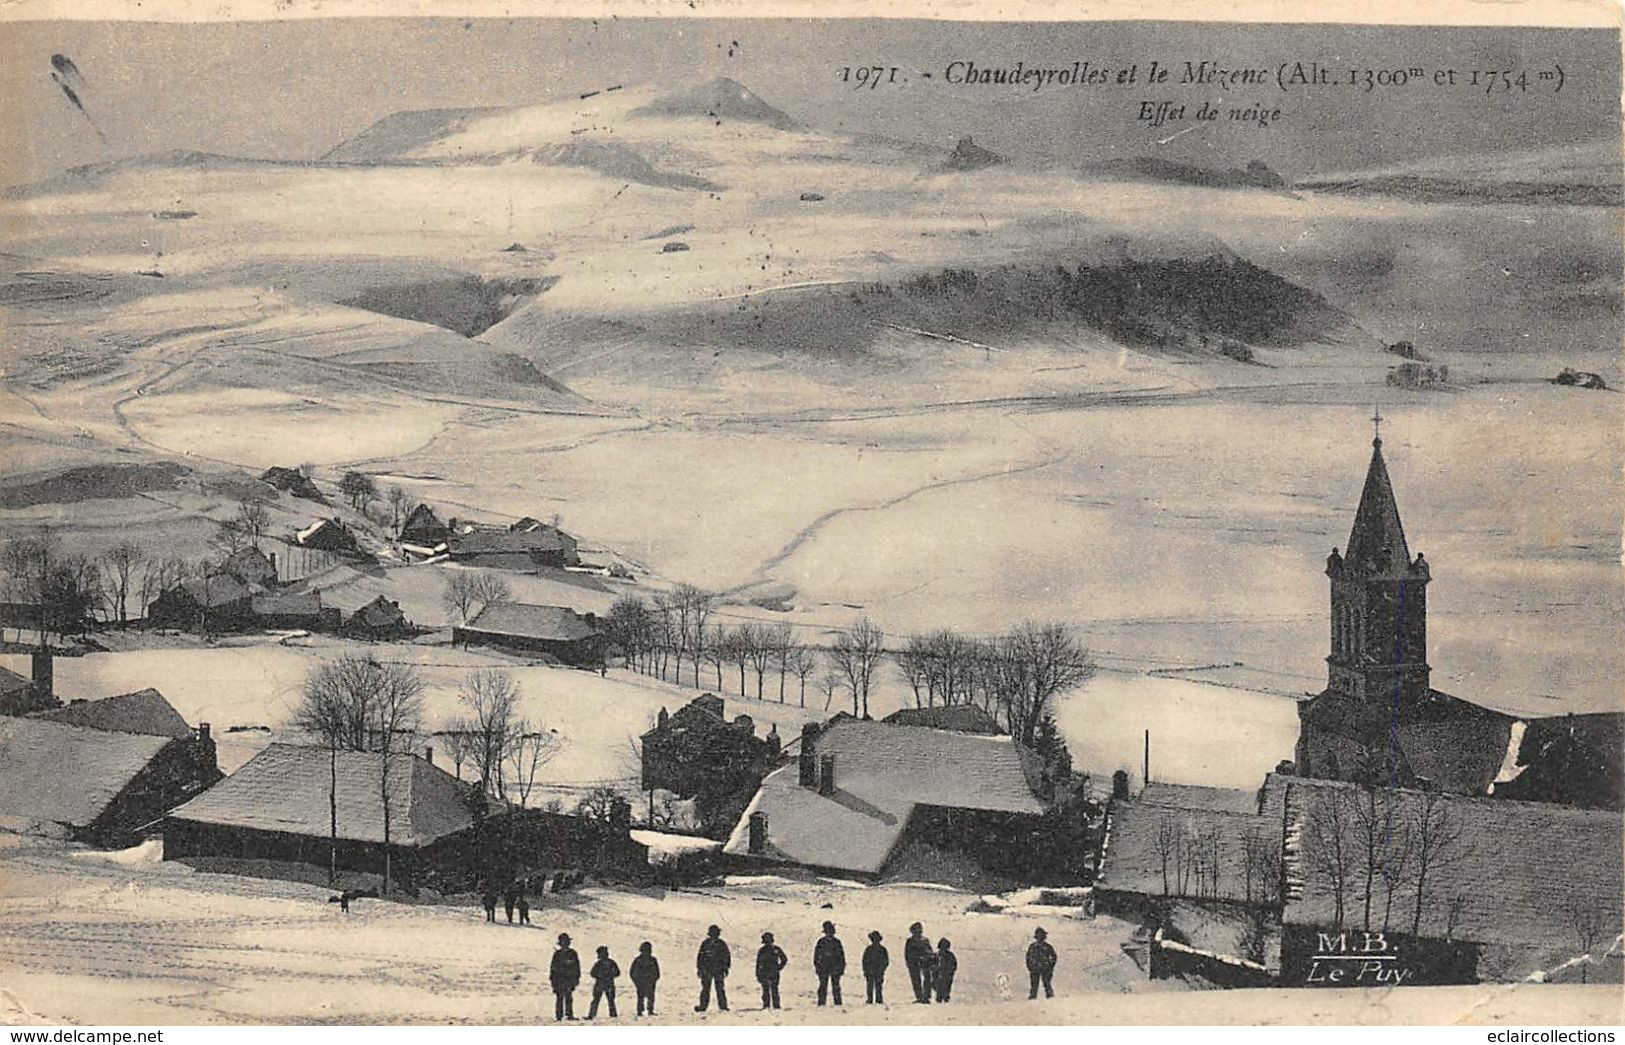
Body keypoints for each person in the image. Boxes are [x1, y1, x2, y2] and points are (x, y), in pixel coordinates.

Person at [694, 924, 731, 1012]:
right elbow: (700, 957)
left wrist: (725, 968)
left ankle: (723, 1006)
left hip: (718, 970)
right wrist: (700, 969)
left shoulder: (721, 944)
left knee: (720, 989)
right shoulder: (705, 943)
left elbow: (726, 957)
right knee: (706, 989)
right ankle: (703, 1006)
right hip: (707, 970)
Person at [812, 921, 845, 1006]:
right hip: (823, 968)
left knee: (836, 987)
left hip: (835, 968)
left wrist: (841, 968)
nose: (829, 934)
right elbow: (816, 956)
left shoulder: (837, 942)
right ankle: (821, 1003)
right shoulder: (821, 942)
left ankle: (837, 1003)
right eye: (828, 932)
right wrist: (818, 967)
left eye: (830, 932)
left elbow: (841, 956)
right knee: (823, 986)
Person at [551, 932, 581, 1020]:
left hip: (569, 979)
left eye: (566, 942)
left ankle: (569, 1014)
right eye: (563, 942)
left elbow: (577, 967)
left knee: (569, 997)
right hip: (559, 979)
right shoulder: (557, 954)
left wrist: (576, 978)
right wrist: (553, 981)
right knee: (559, 997)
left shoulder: (573, 953)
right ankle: (559, 1015)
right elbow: (553, 968)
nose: (565, 944)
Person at [755, 932, 788, 1010]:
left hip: (774, 972)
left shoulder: (776, 949)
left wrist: (779, 968)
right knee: (765, 989)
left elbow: (784, 959)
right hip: (765, 972)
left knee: (774, 989)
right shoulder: (762, 950)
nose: (768, 943)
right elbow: (758, 963)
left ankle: (776, 1005)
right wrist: (758, 974)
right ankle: (766, 1005)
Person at [904, 922, 933, 1004]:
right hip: (914, 963)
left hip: (925, 962)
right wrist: (909, 962)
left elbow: (929, 950)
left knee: (927, 979)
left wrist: (929, 958)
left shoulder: (925, 940)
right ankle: (919, 996)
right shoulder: (910, 941)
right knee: (916, 980)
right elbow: (907, 953)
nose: (918, 932)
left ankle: (926, 996)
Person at [588, 945, 621, 1019]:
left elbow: (617, 972)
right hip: (600, 984)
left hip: (608, 984)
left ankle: (613, 1014)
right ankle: (592, 1015)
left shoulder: (610, 963)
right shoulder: (599, 964)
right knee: (596, 1000)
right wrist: (600, 975)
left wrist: (609, 975)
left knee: (610, 1000)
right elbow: (592, 973)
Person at [630, 941, 661, 1017]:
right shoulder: (638, 960)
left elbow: (657, 972)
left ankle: (649, 1010)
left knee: (650, 996)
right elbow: (633, 972)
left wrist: (654, 979)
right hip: (641, 982)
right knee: (641, 997)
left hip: (650, 982)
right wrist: (637, 981)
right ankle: (640, 1011)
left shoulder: (652, 960)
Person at [1026, 927, 1057, 1000]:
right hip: (1035, 969)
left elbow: (1053, 957)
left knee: (1047, 983)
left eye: (1041, 936)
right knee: (1034, 985)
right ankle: (1033, 998)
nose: (1040, 938)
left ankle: (1050, 997)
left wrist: (1049, 966)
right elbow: (1028, 958)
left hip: (1046, 969)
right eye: (1038, 936)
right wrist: (1031, 967)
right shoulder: (1032, 947)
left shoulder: (1048, 947)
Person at [861, 931, 888, 1005]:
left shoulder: (882, 950)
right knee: (870, 986)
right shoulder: (869, 949)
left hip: (879, 971)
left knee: (878, 986)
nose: (875, 941)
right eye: (873, 939)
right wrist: (866, 970)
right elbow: (864, 961)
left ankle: (878, 999)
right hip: (870, 971)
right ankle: (870, 999)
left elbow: (885, 961)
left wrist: (882, 969)